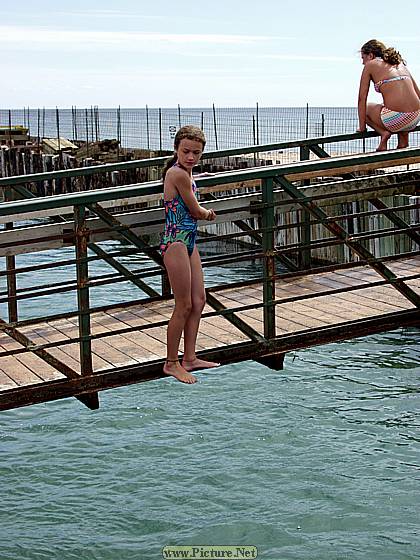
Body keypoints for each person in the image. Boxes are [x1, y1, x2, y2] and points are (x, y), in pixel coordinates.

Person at [159, 125, 220, 384]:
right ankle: (171, 362)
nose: (191, 157)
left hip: (189, 240)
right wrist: (208, 213)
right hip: (175, 242)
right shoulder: (178, 174)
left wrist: (196, 175)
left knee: (199, 299)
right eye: (186, 151)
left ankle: (190, 358)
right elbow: (195, 211)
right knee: (183, 304)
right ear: (176, 150)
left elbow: (189, 186)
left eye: (196, 152)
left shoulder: (187, 173)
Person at [357, 39, 420, 151]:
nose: (362, 62)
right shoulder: (399, 64)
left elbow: (362, 99)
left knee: (366, 108)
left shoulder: (370, 65)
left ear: (370, 55)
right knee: (398, 108)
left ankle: (384, 133)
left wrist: (362, 128)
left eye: (363, 58)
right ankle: (403, 140)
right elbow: (418, 93)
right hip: (415, 117)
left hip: (396, 119)